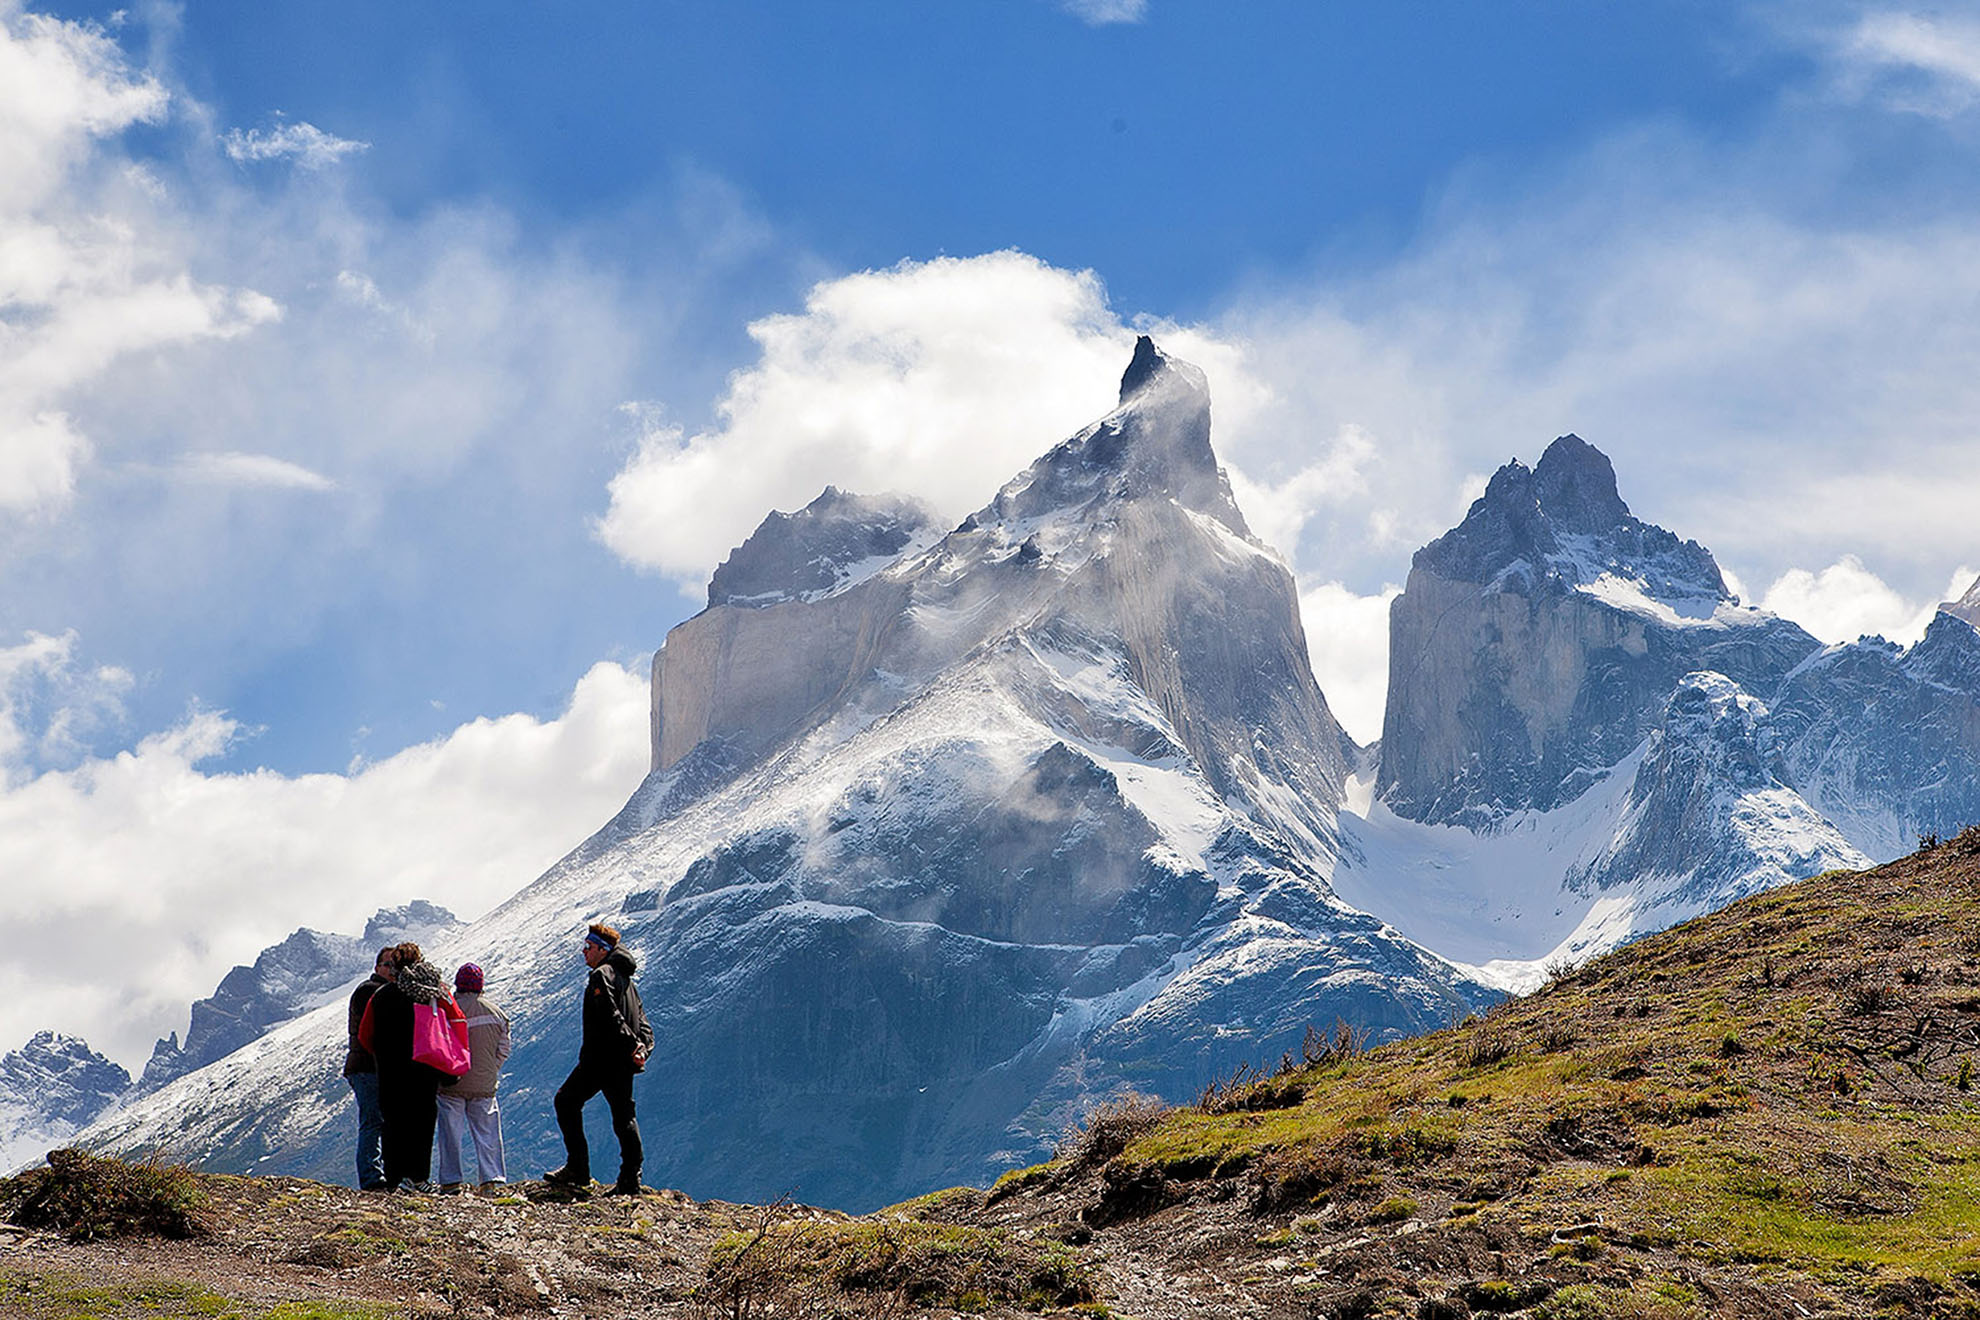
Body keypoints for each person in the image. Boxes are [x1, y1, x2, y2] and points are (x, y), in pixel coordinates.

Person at [545, 923, 653, 1195]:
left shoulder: (601, 975)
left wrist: (632, 1045)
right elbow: (643, 1022)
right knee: (624, 1116)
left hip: (599, 1059)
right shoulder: (627, 981)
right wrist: (642, 1049)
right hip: (623, 1062)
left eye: (588, 947)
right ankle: (630, 1179)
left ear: (603, 950)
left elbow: (609, 1014)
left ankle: (578, 1169)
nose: (584, 951)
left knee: (566, 1101)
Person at [357, 941, 451, 1192]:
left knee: (393, 1123)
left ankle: (394, 1179)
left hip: (391, 1070)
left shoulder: (381, 996)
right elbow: (451, 1021)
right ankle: (419, 1178)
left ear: (395, 966)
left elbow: (365, 1035)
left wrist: (382, 1054)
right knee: (422, 1122)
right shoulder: (431, 993)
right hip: (425, 1068)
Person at [435, 962, 511, 1191]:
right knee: (488, 1134)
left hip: (451, 1083)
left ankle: (451, 1181)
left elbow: (438, 1045)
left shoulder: (447, 1010)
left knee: (450, 1135)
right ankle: (492, 1180)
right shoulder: (497, 1013)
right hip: (484, 1084)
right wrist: (490, 1069)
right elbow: (503, 1050)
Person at [343, 947, 398, 1191]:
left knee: (379, 1121)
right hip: (366, 1066)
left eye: (395, 966)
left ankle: (380, 1173)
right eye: (387, 965)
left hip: (372, 1067)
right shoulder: (369, 990)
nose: (391, 970)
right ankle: (371, 1177)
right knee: (372, 1121)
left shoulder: (378, 990)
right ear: (377, 968)